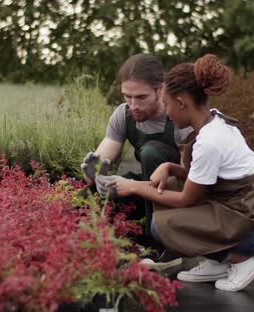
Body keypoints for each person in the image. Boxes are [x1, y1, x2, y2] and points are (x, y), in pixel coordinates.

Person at [103, 54, 254, 292]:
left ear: (182, 103)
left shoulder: (210, 141)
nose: (167, 113)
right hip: (248, 210)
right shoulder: (214, 123)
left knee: (162, 226)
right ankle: (217, 262)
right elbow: (202, 178)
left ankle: (240, 260)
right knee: (169, 184)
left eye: (168, 104)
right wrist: (170, 167)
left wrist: (133, 186)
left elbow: (186, 199)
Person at [81, 53, 192, 242]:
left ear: (160, 89)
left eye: (141, 97)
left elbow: (187, 184)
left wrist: (132, 187)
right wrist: (94, 175)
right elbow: (99, 163)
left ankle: (159, 242)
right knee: (86, 198)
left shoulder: (179, 117)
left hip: (178, 195)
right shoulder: (123, 115)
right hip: (147, 186)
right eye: (127, 96)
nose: (134, 105)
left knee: (150, 152)